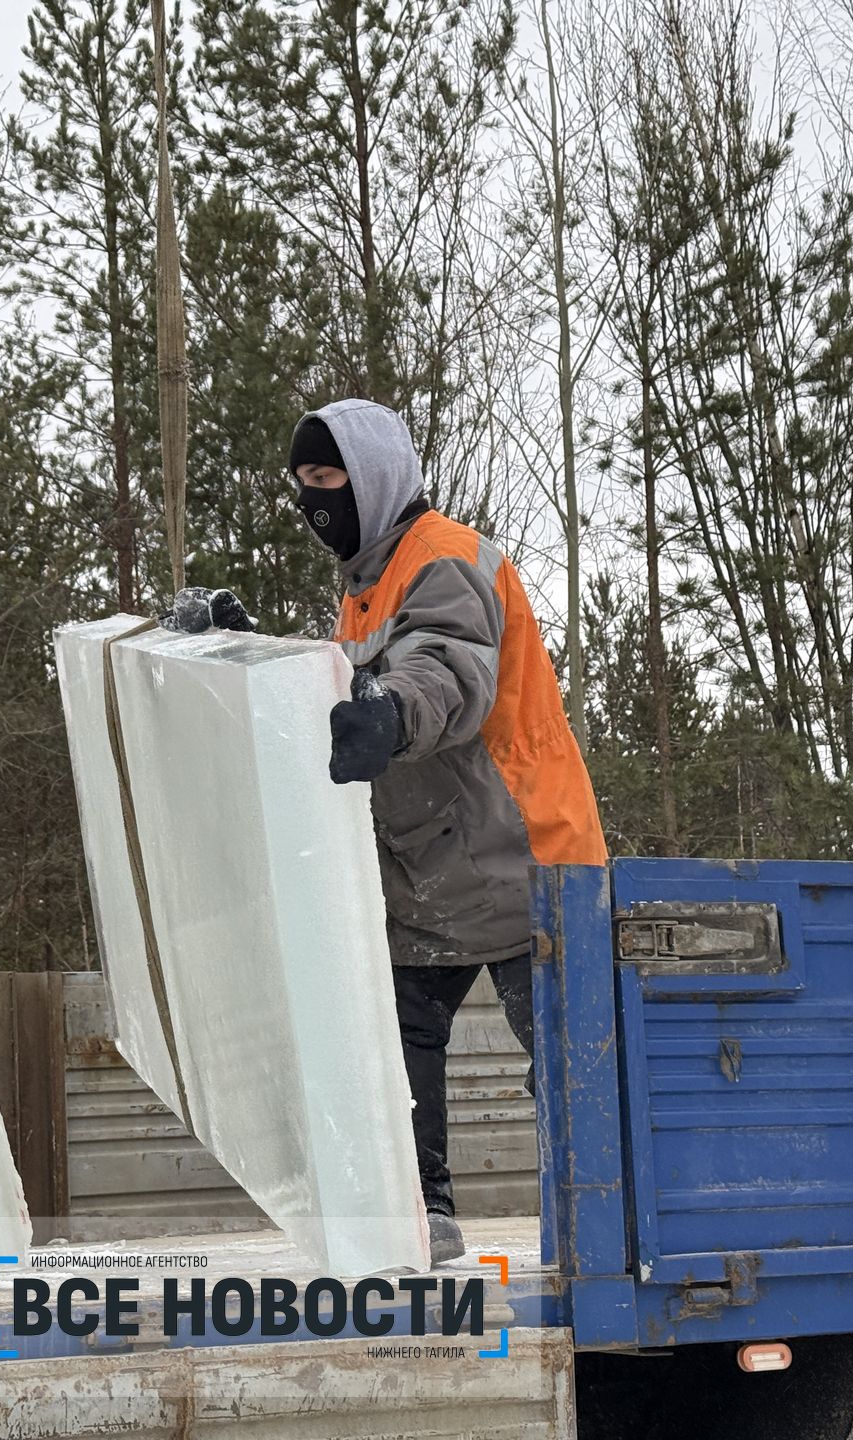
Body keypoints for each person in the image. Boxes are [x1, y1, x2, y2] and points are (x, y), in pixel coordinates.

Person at [283, 398, 609, 1265]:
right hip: (431, 865)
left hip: (521, 850)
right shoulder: (362, 590)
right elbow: (341, 695)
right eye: (303, 482)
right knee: (399, 1047)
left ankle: (609, 1218)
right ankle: (421, 1217)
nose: (315, 499)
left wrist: (393, 711)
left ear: (374, 477)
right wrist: (255, 657)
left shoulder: (443, 557)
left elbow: (449, 667)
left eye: (328, 476)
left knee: (572, 1056)